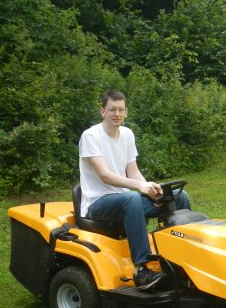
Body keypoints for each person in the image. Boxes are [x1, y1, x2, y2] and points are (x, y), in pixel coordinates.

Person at [79, 90, 190, 290]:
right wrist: (140, 187)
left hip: (125, 199)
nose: (116, 114)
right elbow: (105, 175)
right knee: (131, 198)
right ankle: (142, 269)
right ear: (102, 111)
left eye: (120, 110)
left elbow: (133, 171)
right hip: (98, 203)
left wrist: (150, 190)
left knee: (178, 197)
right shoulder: (90, 136)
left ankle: (179, 259)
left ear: (126, 112)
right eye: (112, 109)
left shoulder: (127, 134)